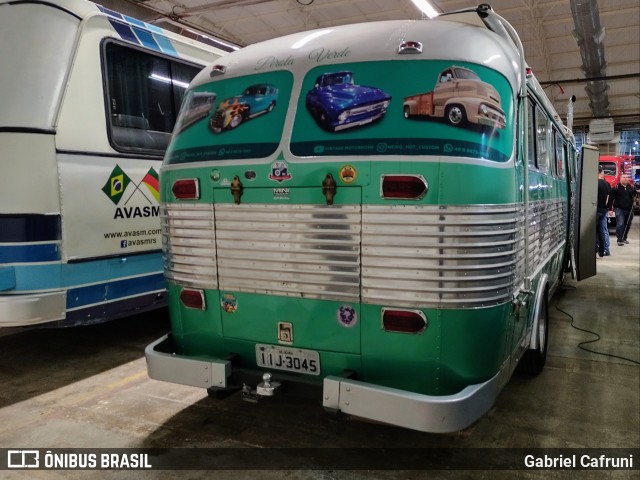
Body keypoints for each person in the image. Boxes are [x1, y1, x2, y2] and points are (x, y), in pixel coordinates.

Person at [608, 174, 637, 246]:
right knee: (620, 223)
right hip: (619, 209)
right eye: (624, 177)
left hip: (629, 209)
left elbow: (635, 194)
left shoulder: (631, 187)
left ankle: (624, 238)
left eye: (627, 177)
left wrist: (636, 192)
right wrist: (610, 209)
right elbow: (611, 199)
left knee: (627, 224)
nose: (626, 179)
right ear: (620, 179)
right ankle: (619, 239)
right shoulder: (616, 188)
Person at [596, 165, 611, 257]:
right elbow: (609, 197)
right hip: (604, 209)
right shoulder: (606, 184)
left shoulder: (594, 183)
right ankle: (603, 250)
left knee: (594, 232)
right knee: (603, 230)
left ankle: (594, 249)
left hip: (595, 209)